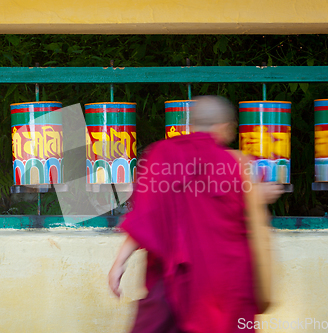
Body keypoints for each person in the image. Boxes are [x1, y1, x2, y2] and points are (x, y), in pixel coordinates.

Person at [108, 95, 284, 333]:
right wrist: (259, 196)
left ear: (191, 125)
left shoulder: (162, 154)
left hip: (173, 286)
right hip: (226, 284)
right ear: (224, 127)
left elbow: (147, 215)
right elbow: (247, 212)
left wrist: (119, 263)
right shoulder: (236, 165)